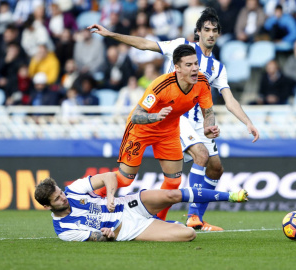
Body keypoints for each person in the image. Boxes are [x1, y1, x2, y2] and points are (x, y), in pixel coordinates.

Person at [88, 7, 259, 231]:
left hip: (199, 122)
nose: (210, 34)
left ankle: (172, 219)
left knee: (215, 168)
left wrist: (247, 122)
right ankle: (193, 216)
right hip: (174, 117)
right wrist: (111, 34)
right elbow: (144, 44)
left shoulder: (217, 68)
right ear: (197, 32)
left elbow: (229, 99)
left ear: (218, 34)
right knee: (201, 155)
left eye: (214, 30)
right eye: (206, 29)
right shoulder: (179, 47)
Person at [91, 45, 219, 222]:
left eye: (196, 63)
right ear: (178, 68)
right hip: (140, 131)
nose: (195, 68)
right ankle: (90, 201)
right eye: (189, 65)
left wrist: (208, 127)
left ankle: (157, 221)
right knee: (125, 179)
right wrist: (156, 116)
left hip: (168, 132)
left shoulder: (202, 83)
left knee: (174, 183)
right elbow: (136, 116)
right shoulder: (161, 86)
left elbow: (209, 112)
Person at [34, 171, 248, 242]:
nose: (63, 197)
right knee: (188, 234)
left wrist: (109, 195)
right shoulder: (64, 231)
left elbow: (109, 176)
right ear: (47, 207)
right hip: (126, 229)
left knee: (173, 194)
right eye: (57, 199)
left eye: (60, 193)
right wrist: (106, 234)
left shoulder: (74, 190)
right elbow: (96, 237)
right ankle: (164, 225)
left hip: (127, 205)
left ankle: (230, 195)